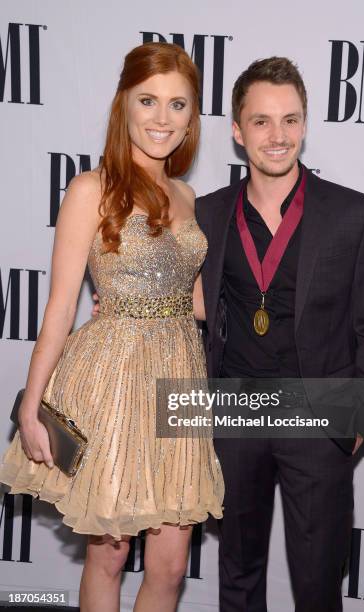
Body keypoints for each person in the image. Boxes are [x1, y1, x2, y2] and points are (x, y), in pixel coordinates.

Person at [0, 42, 224, 612]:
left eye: (178, 105)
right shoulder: (90, 189)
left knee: (171, 566)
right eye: (148, 101)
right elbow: (57, 309)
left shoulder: (187, 195)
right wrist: (30, 405)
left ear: (192, 117)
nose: (162, 118)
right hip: (116, 378)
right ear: (124, 103)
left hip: (180, 380)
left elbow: (199, 300)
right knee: (110, 552)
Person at [195, 57, 364, 611]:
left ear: (305, 125)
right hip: (236, 416)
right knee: (237, 579)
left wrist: (362, 417)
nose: (277, 135)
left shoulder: (353, 214)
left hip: (318, 418)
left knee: (317, 584)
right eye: (261, 121)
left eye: (290, 119)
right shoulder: (207, 216)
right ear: (237, 132)